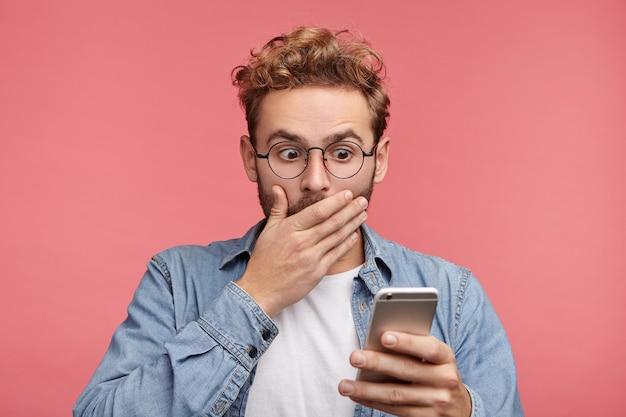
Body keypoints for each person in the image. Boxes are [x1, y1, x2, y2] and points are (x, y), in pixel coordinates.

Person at [73, 26, 523, 417]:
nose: (316, 180)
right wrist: (256, 295)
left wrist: (463, 411)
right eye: (289, 153)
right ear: (252, 159)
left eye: (342, 153)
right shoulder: (177, 280)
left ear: (379, 160)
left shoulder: (454, 294)